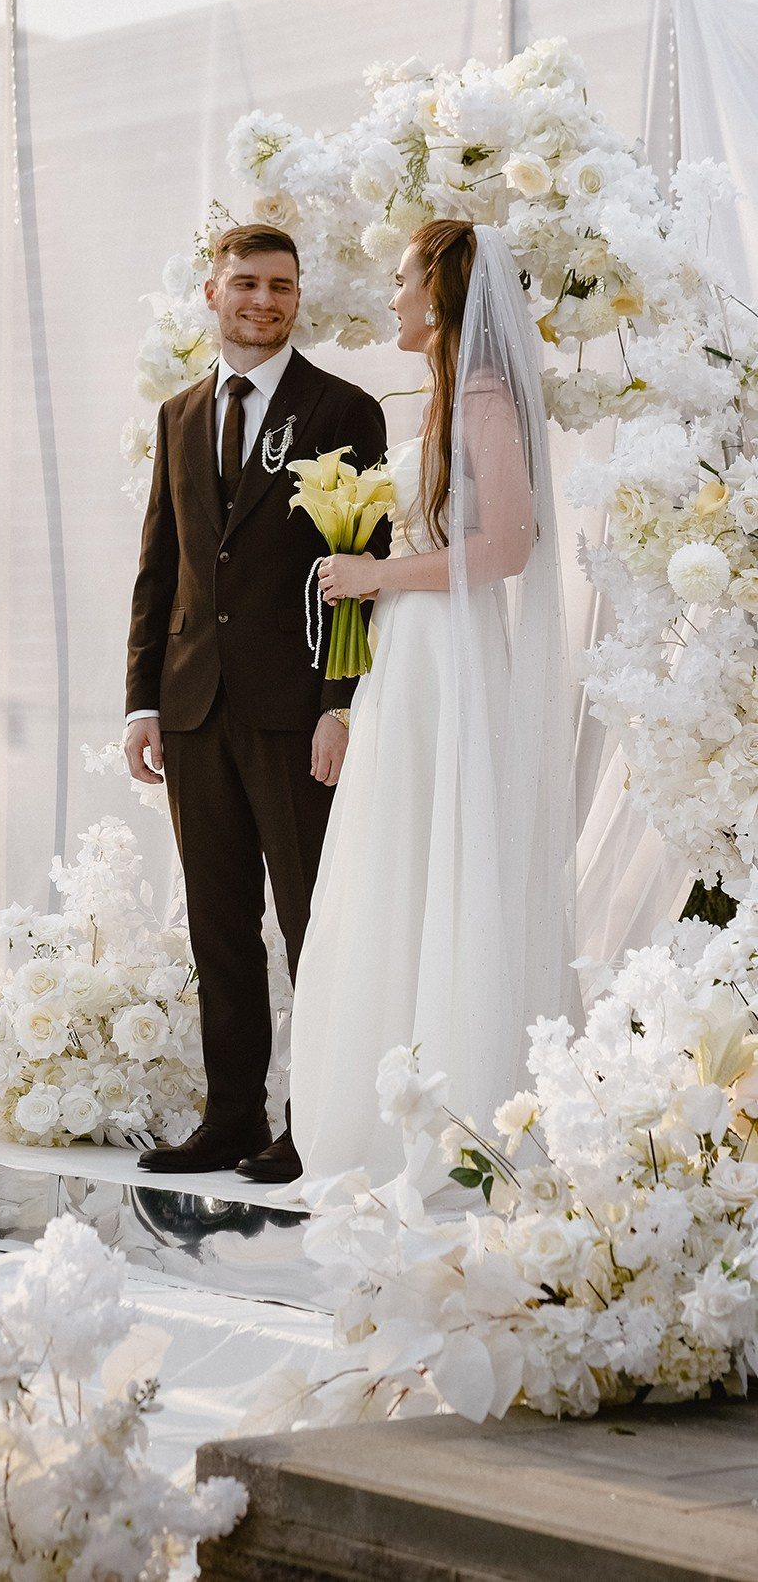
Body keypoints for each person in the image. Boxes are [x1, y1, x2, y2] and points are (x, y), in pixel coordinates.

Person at [288, 219, 580, 1188]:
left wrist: (379, 570)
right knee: (396, 854)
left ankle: (448, 1119)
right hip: (409, 653)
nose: (393, 294)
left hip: (447, 654)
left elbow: (509, 546)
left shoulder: (487, 397)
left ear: (444, 293)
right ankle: (386, 1100)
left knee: (436, 849)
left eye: (405, 278)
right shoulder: (448, 395)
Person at [124, 223, 388, 1177]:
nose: (264, 300)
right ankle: (231, 1117)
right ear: (212, 293)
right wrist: (140, 701)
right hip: (193, 709)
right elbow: (161, 567)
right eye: (246, 283)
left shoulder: (343, 411)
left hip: (294, 711)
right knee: (217, 923)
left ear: (297, 296)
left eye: (280, 285)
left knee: (311, 917)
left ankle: (312, 1123)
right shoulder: (179, 415)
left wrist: (339, 704)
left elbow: (362, 562)